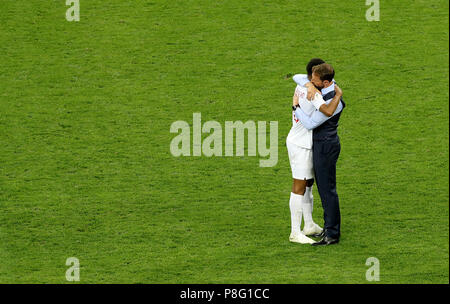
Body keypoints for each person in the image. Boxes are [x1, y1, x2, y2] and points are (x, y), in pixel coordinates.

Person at [286, 61, 342, 244]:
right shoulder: (315, 94)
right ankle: (295, 232)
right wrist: (338, 96)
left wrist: (306, 88)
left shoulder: (303, 84)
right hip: (300, 144)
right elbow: (326, 111)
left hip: (308, 143)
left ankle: (309, 224)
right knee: (300, 186)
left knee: (309, 184)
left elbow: (298, 76)